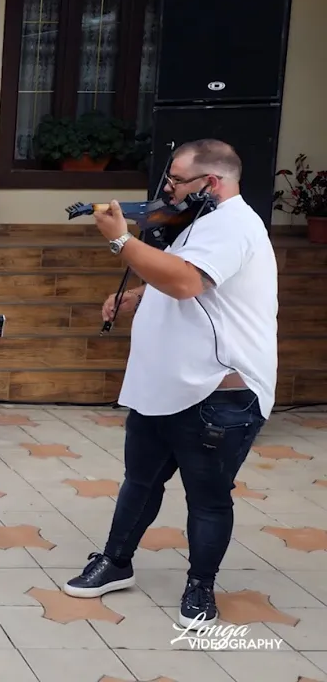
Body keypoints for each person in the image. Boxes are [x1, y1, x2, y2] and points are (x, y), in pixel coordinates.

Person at [63, 139, 278, 630]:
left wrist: (121, 240)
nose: (167, 188)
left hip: (217, 392)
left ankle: (200, 587)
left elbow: (186, 282)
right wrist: (141, 293)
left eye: (177, 180)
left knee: (207, 496)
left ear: (212, 182)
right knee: (140, 481)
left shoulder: (234, 224)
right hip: (164, 385)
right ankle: (116, 561)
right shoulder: (199, 220)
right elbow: (196, 281)